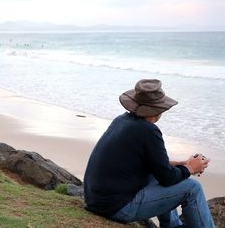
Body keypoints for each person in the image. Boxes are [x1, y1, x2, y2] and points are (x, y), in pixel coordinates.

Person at [83, 79, 215, 228]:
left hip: (97, 201)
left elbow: (145, 162)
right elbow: (167, 178)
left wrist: (181, 164)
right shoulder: (148, 130)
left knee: (156, 174)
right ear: (158, 110)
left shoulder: (122, 121)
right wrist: (190, 169)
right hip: (117, 208)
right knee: (192, 188)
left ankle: (171, 225)